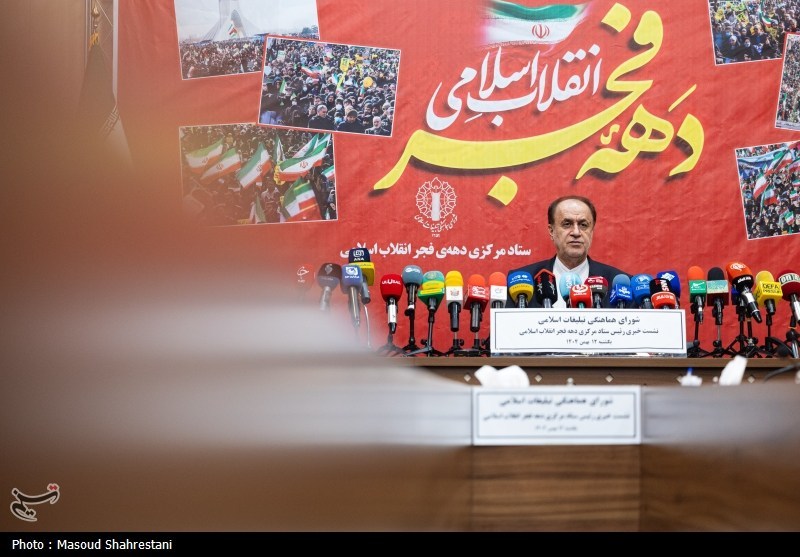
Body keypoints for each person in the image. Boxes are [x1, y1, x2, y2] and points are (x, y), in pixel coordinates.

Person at [508, 195, 629, 308]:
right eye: (567, 224)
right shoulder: (520, 283)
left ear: (592, 231)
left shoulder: (619, 285)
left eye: (583, 225)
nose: (576, 232)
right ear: (551, 231)